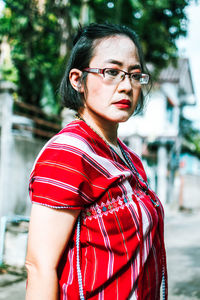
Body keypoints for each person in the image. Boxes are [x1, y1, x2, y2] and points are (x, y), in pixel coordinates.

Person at [25, 23, 168, 300]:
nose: (126, 86)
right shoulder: (67, 154)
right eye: (111, 72)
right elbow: (39, 266)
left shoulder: (130, 159)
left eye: (134, 75)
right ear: (77, 80)